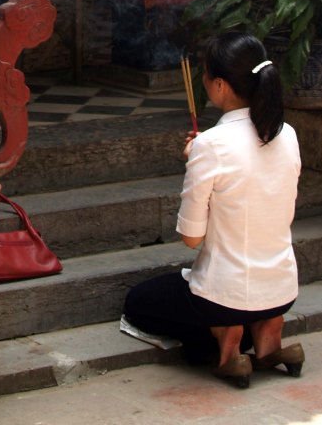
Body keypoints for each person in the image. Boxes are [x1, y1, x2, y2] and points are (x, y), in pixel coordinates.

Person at [123, 32, 304, 388]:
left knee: (139, 301)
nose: (204, 82)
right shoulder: (289, 134)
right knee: (240, 301)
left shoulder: (210, 145)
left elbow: (191, 239)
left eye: (206, 75)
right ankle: (268, 336)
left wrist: (197, 160)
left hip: (226, 294)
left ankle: (228, 341)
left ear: (220, 85)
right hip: (281, 289)